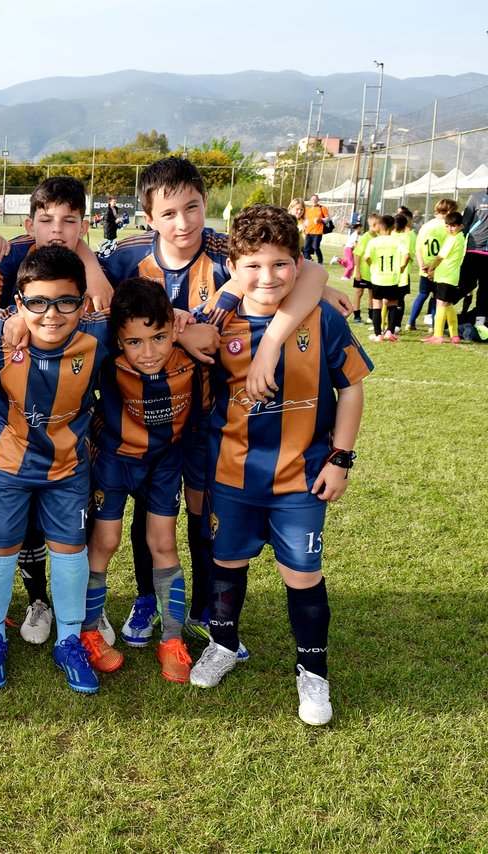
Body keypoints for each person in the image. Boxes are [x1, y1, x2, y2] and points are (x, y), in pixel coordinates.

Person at [99, 157, 333, 650]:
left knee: (204, 512)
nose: (183, 223)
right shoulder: (126, 257)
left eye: (192, 208)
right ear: (149, 217)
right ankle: (146, 598)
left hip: (214, 417)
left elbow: (311, 269)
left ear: (206, 203)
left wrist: (272, 341)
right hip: (147, 420)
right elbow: (92, 298)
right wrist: (180, 332)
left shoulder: (224, 250)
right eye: (168, 214)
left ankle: (205, 607)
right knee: (150, 512)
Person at [189, 204, 371, 726]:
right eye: (253, 265)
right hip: (233, 474)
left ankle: (313, 672)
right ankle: (223, 643)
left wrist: (340, 458)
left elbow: (351, 388)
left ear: (298, 264)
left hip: (302, 478)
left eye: (280, 265)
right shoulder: (217, 323)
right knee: (227, 563)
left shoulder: (322, 318)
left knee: (302, 574)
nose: (267, 277)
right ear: (231, 268)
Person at [0, 247, 107, 691]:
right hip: (6, 464)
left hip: (68, 465)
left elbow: (153, 319)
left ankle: (69, 640)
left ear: (83, 303)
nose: (51, 314)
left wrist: (186, 324)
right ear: (18, 303)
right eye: (37, 303)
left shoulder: (99, 334)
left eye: (65, 302)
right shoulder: (1, 332)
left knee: (71, 550)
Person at [84, 277, 197, 684]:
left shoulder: (190, 353)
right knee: (105, 542)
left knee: (163, 543)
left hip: (164, 462)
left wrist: (189, 325)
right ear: (119, 339)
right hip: (114, 460)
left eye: (159, 338)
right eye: (134, 342)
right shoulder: (105, 352)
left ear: (173, 329)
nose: (149, 352)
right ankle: (89, 632)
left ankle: (171, 640)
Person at [409, 199, 456, 329]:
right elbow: (446, 250)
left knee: (422, 294)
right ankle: (434, 326)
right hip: (438, 268)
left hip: (425, 267)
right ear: (450, 211)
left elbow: (418, 247)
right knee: (437, 297)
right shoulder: (448, 228)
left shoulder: (426, 225)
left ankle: (410, 322)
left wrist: (421, 264)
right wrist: (433, 268)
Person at [422, 212, 467, 344]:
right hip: (451, 276)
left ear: (460, 226)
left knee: (440, 305)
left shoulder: (452, 239)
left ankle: (438, 335)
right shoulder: (460, 237)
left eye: (453, 226)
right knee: (448, 305)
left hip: (445, 277)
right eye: (447, 226)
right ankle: (455, 335)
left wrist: (431, 269)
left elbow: (439, 257)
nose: (449, 229)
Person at [361, 214, 408, 341]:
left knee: (377, 304)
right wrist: (402, 267)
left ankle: (378, 334)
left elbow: (366, 257)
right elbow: (406, 255)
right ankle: (390, 332)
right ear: (393, 227)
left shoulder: (374, 241)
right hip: (392, 278)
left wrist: (371, 266)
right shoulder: (397, 241)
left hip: (378, 278)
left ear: (379, 227)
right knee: (392, 304)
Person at [459, 186, 488, 322]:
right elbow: (465, 223)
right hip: (474, 250)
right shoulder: (476, 198)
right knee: (465, 285)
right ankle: (441, 308)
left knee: (485, 289)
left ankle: (480, 320)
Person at [302, 194, 330, 264]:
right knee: (306, 247)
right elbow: (306, 220)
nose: (313, 201)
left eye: (315, 199)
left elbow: (328, 218)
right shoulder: (308, 209)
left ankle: (320, 261)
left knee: (316, 247)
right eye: (312, 199)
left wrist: (320, 220)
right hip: (308, 231)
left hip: (317, 231)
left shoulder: (322, 208)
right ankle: (308, 260)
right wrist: (304, 227)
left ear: (318, 200)